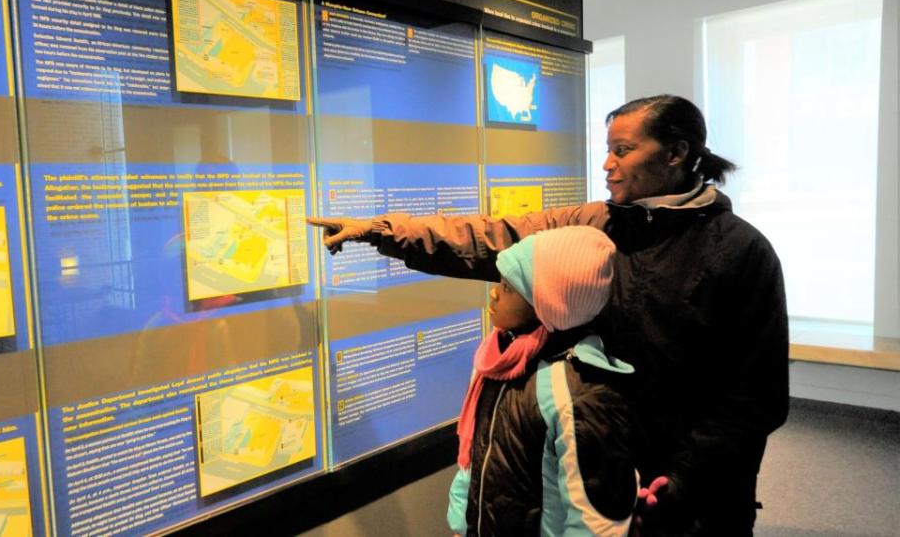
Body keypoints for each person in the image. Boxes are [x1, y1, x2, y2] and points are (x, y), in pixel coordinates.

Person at [310, 95, 789, 535]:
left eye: (622, 150)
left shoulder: (740, 252)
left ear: (675, 154)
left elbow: (754, 396)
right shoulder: (594, 223)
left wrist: (683, 480)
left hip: (694, 494)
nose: (607, 164)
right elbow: (491, 236)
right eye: (608, 149)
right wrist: (383, 231)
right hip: (601, 465)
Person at [447, 226, 637, 536]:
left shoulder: (579, 393)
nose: (494, 292)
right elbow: (474, 455)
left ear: (549, 303)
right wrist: (461, 524)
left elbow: (595, 520)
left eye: (509, 287)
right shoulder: (498, 359)